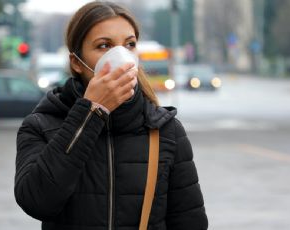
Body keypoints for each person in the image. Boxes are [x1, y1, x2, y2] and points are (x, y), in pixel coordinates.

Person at [14, 1, 208, 229]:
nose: (121, 56)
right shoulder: (41, 125)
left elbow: (189, 222)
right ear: (77, 62)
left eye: (130, 44)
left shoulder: (165, 130)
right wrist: (91, 112)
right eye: (104, 46)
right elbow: (37, 202)